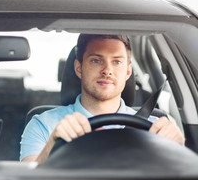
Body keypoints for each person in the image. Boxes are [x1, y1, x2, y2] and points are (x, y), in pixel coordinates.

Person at [20, 34, 185, 165]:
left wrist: (178, 151)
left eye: (117, 62)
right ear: (79, 68)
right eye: (96, 60)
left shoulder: (156, 129)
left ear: (128, 72)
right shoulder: (45, 124)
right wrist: (52, 145)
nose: (107, 70)